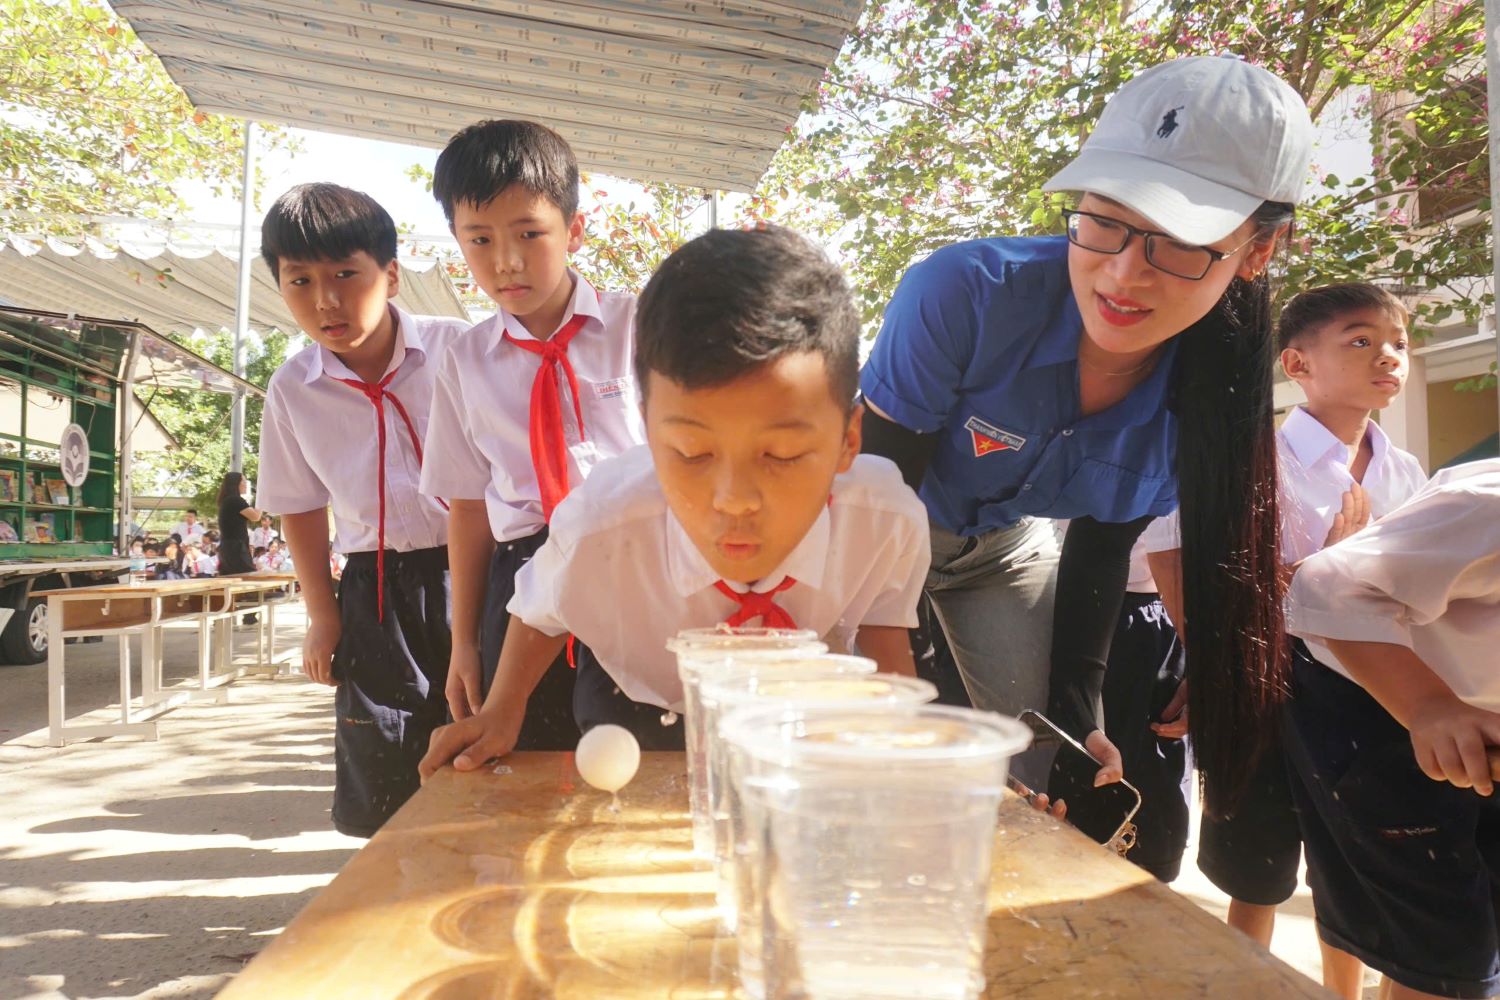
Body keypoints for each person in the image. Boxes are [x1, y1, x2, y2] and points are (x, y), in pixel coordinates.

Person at [855, 55, 1312, 805]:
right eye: (1105, 221)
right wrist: (893, 666)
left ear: (1257, 251)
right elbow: (875, 495)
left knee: (1048, 764)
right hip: (870, 524)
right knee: (854, 740)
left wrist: (1077, 711)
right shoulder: (962, 294)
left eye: (1177, 241)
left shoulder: (1205, 408)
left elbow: (1101, 549)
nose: (1123, 275)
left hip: (1000, 555)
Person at [420, 225, 929, 776]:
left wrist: (906, 754)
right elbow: (540, 609)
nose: (734, 501)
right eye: (690, 452)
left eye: (781, 454)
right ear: (648, 430)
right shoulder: (603, 526)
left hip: (791, 706)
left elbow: (884, 634)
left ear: (848, 440)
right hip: (640, 708)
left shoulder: (885, 521)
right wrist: (501, 709)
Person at [1145, 282, 1427, 995]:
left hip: (1370, 696)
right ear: (1298, 365)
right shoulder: (1257, 461)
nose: (1387, 357)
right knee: (1260, 868)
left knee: (1358, 868)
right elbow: (1182, 557)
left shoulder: (1406, 472)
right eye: (1360, 340)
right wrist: (1213, 663)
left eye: (1397, 342)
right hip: (1270, 684)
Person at [419, 120, 645, 750]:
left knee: (624, 752)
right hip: (521, 577)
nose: (505, 261)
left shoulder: (639, 326)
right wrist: (465, 641)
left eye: (529, 234)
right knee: (522, 755)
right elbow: (467, 508)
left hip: (630, 562)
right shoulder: (464, 360)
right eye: (480, 239)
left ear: (574, 229)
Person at [255, 182, 470, 838]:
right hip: (377, 588)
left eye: (347, 274)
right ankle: (399, 892)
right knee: (386, 749)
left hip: (478, 566)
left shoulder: (459, 352)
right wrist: (323, 614)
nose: (326, 300)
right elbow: (298, 505)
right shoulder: (294, 390)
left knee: (486, 732)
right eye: (300, 281)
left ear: (391, 275)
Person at [1283, 459, 1500, 1000]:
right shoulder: (1488, 506)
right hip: (1366, 684)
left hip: (1472, 707)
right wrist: (1426, 704)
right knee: (1446, 950)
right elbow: (1321, 586)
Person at [215, 472, 259, 576]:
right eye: (243, 481)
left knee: (231, 578)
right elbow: (256, 516)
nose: (245, 484)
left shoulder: (227, 500)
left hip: (229, 546)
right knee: (247, 578)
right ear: (236, 483)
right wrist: (261, 500)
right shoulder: (235, 500)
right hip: (236, 547)